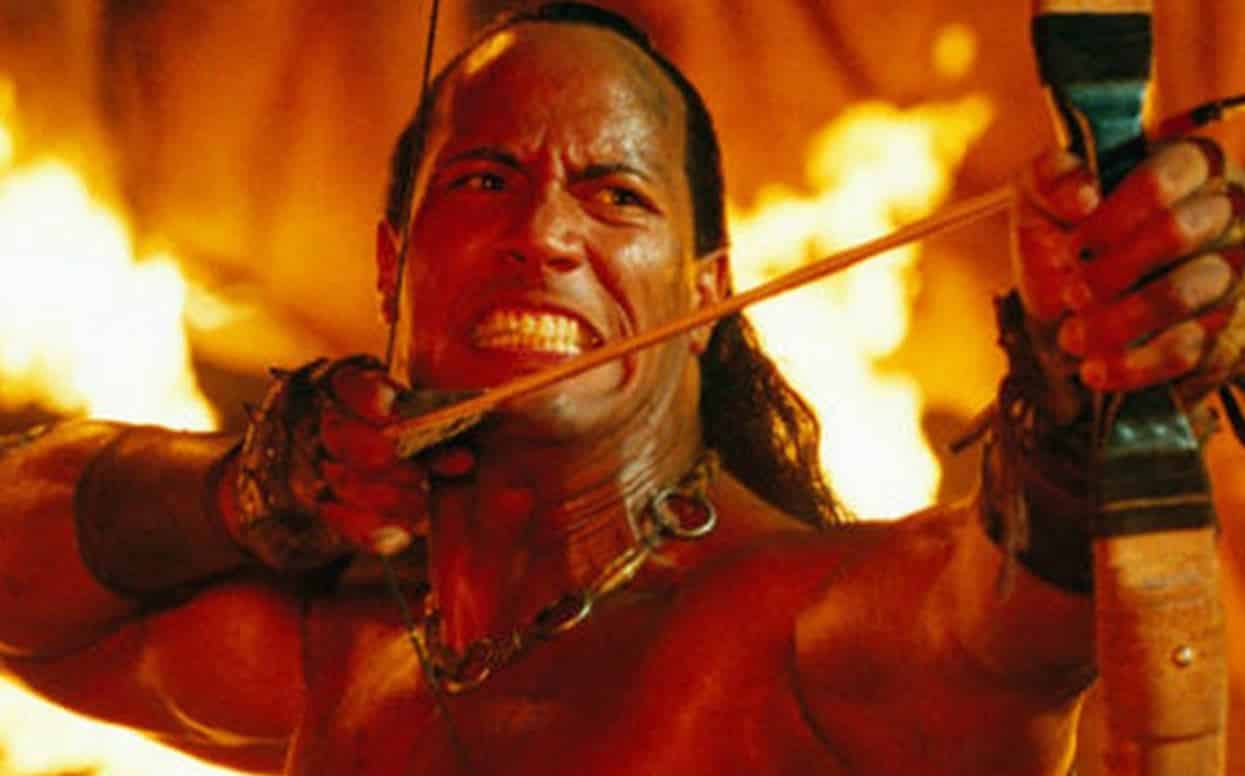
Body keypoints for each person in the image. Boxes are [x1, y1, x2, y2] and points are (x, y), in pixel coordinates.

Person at [1, 3, 1242, 773]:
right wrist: (251, 484)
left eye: (618, 195)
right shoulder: (345, 649)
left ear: (706, 296)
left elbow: (1000, 625)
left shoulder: (795, 630)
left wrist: (1086, 392)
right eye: (484, 181)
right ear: (392, 261)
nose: (543, 233)